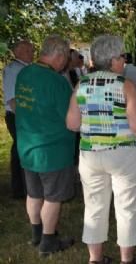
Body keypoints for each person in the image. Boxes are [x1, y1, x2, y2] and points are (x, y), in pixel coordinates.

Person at [66, 35, 136, 264]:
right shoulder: (125, 85)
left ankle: (95, 259)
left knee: (94, 206)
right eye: (122, 56)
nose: (124, 61)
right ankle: (126, 259)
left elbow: (72, 124)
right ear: (112, 60)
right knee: (127, 206)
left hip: (90, 155)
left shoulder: (81, 84)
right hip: (123, 154)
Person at [15, 35, 76, 255]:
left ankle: (36, 234)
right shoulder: (56, 81)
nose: (65, 64)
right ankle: (48, 241)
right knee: (53, 197)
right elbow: (70, 117)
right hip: (52, 150)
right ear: (58, 55)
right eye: (65, 58)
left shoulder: (25, 73)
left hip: (28, 146)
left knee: (34, 194)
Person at [2, 39, 34, 199]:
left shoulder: (24, 68)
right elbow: (12, 98)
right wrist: (24, 119)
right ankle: (20, 188)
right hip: (17, 116)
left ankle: (23, 186)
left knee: (20, 149)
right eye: (29, 50)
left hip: (22, 115)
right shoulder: (14, 69)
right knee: (20, 150)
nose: (32, 53)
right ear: (18, 52)